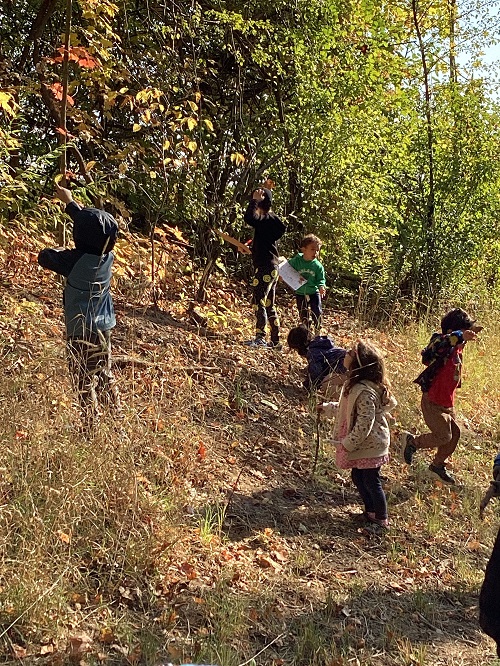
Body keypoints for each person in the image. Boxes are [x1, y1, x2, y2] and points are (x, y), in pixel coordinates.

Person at [38, 182, 121, 429]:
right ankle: (117, 420)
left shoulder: (73, 261)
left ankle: (90, 425)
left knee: (83, 379)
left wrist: (60, 249)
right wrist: (70, 202)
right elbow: (94, 231)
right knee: (104, 374)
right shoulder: (107, 256)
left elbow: (44, 257)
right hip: (104, 328)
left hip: (79, 331)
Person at [320, 340, 397, 530]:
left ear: (359, 363)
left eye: (351, 353)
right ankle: (370, 511)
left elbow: (365, 422)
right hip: (363, 444)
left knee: (371, 480)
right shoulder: (354, 385)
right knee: (358, 476)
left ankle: (381, 517)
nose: (346, 353)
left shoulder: (364, 391)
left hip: (371, 444)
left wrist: (348, 442)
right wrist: (327, 408)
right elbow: (348, 409)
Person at [401, 308, 481, 484]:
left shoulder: (457, 348)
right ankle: (412, 442)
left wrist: (468, 334)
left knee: (455, 433)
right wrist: (460, 336)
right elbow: (436, 347)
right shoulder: (442, 344)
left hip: (446, 402)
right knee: (443, 435)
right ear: (453, 332)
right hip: (432, 400)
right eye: (463, 333)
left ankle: (437, 465)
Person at [243, 187, 286, 348]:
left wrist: (254, 199)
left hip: (265, 268)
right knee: (269, 304)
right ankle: (275, 341)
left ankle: (260, 337)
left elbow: (250, 218)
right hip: (272, 267)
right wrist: (249, 248)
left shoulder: (267, 220)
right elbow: (264, 245)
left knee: (258, 300)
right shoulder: (268, 223)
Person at [287, 325, 347, 396]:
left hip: (346, 368)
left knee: (326, 385)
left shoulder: (313, 352)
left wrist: (307, 387)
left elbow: (316, 376)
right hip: (350, 360)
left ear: (300, 346)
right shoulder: (320, 344)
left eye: (296, 350)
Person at [287, 234, 326, 332]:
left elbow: (321, 279)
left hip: (313, 291)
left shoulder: (317, 266)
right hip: (300, 292)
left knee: (316, 311)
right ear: (304, 249)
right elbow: (286, 268)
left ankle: (318, 330)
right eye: (312, 249)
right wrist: (281, 276)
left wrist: (321, 286)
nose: (315, 253)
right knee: (303, 313)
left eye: (317, 250)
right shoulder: (296, 261)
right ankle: (306, 332)